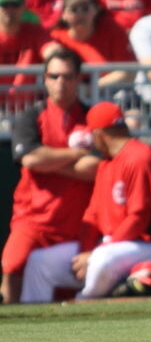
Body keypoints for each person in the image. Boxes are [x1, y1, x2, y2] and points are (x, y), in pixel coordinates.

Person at [20, 102, 151, 302]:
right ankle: (35, 324)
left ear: (100, 133)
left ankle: (82, 305)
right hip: (111, 246)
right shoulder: (106, 164)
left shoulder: (140, 157)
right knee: (39, 262)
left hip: (146, 247)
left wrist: (94, 254)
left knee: (101, 260)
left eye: (92, 134)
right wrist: (85, 252)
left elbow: (139, 218)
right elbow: (92, 215)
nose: (91, 140)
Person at [0, 47, 98, 305]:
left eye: (67, 76)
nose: (60, 83)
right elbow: (30, 158)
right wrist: (76, 153)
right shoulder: (30, 116)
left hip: (79, 222)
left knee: (76, 284)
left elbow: (95, 169)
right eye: (54, 76)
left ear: (78, 79)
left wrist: (49, 162)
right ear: (44, 79)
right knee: (12, 265)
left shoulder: (92, 117)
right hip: (33, 217)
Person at [48, 0, 136, 88]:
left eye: (85, 8)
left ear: (96, 9)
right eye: (74, 9)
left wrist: (92, 89)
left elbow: (129, 73)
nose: (80, 15)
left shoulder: (113, 31)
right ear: (63, 15)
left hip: (109, 95)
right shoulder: (55, 39)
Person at [0, 0, 50, 92]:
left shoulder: (34, 32)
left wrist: (54, 56)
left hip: (29, 107)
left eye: (15, 5)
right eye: (5, 5)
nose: (10, 10)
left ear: (23, 6)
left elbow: (52, 51)